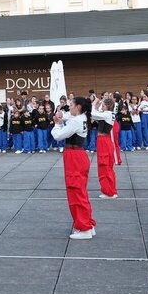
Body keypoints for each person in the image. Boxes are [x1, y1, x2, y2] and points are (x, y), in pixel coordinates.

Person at [52, 97, 96, 240]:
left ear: (77, 107)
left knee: (76, 192)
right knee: (80, 192)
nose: (69, 107)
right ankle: (87, 223)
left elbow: (58, 136)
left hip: (74, 157)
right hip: (78, 156)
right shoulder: (81, 117)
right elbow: (67, 116)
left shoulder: (77, 120)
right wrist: (61, 116)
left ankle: (84, 228)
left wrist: (57, 124)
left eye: (71, 105)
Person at [92, 99, 118, 199]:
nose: (101, 107)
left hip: (103, 141)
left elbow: (93, 114)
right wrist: (98, 105)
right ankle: (112, 190)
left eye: (103, 106)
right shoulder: (109, 114)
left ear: (107, 106)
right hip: (106, 141)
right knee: (109, 168)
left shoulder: (107, 114)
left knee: (104, 167)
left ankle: (108, 192)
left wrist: (94, 104)